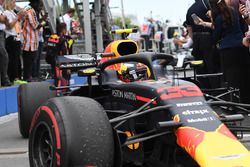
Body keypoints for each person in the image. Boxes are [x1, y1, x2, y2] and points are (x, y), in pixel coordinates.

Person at [209, 0, 250, 103]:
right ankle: (247, 101)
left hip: (227, 50)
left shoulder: (218, 18)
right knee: (244, 75)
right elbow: (241, 26)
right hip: (241, 45)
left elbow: (216, 36)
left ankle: (235, 103)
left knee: (232, 78)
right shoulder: (233, 11)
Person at [3, 0, 26, 85]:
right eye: (13, 2)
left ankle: (18, 77)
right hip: (11, 38)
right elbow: (9, 26)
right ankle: (14, 78)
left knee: (17, 59)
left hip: (17, 37)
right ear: (9, 3)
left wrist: (21, 17)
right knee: (13, 59)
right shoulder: (6, 13)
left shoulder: (12, 12)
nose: (15, 4)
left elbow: (17, 25)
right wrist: (17, 17)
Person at [22, 0, 44, 82]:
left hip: (32, 41)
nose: (40, 7)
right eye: (39, 5)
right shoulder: (30, 10)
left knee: (31, 61)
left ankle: (29, 77)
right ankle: (28, 77)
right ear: (35, 3)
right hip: (29, 41)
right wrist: (43, 21)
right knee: (29, 61)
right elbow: (35, 26)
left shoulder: (30, 9)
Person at [46, 22, 69, 87]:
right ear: (63, 30)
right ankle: (60, 91)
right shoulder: (62, 40)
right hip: (58, 61)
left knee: (55, 75)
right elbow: (64, 53)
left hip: (50, 59)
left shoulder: (51, 37)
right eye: (65, 29)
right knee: (59, 77)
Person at [0, 0, 11, 86]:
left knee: (3, 55)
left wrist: (5, 19)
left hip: (2, 33)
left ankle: (4, 79)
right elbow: (2, 19)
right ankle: (4, 79)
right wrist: (4, 19)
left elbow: (7, 22)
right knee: (4, 55)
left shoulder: (1, 8)